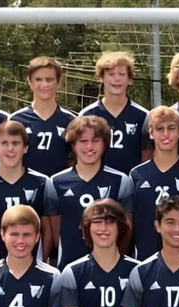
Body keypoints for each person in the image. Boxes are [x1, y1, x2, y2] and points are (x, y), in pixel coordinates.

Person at [49, 115, 134, 269]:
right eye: (83, 141)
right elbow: (55, 236)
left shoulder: (121, 181)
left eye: (96, 141)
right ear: (73, 145)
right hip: (69, 267)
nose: (89, 147)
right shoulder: (55, 183)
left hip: (110, 269)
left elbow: (125, 230)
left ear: (105, 144)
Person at [0, 120, 59, 265]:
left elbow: (47, 230)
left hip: (31, 269)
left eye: (16, 143)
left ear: (25, 148)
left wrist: (40, 262)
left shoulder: (42, 182)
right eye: (4, 143)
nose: (10, 149)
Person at [128, 106, 179, 260]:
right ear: (151, 133)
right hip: (144, 260)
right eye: (160, 129)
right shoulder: (136, 175)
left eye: (171, 128)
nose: (166, 134)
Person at [80, 51, 152, 175]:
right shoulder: (86, 115)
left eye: (122, 74)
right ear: (101, 78)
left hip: (130, 185)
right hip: (97, 184)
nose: (117, 78)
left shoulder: (143, 116)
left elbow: (147, 155)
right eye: (111, 74)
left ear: (129, 79)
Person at [9, 56, 77, 177]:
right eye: (38, 79)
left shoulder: (71, 121)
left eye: (49, 79)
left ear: (58, 82)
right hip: (26, 189)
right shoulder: (15, 120)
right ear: (30, 82)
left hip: (59, 189)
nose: (44, 84)